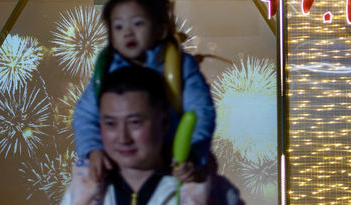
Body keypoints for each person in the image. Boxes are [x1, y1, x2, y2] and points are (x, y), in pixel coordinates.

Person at [73, 0, 215, 183]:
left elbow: (201, 112)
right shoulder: (106, 71)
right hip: (124, 163)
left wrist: (192, 153)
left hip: (175, 160)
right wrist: (93, 149)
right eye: (118, 26)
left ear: (161, 29)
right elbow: (85, 115)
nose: (128, 32)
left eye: (138, 23)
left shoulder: (181, 66)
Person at [61, 67, 244, 205]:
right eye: (110, 124)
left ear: (164, 122)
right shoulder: (80, 194)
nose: (123, 138)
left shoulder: (212, 192)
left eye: (135, 122)